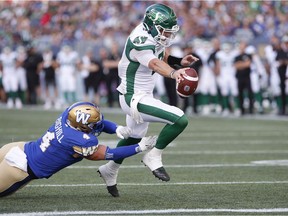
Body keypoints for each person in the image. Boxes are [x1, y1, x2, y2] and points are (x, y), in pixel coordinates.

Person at [98, 3, 198, 197]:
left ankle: (110, 169)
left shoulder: (152, 35)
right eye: (164, 31)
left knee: (133, 137)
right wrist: (174, 73)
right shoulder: (140, 39)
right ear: (152, 25)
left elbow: (160, 53)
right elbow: (153, 62)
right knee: (179, 119)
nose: (168, 36)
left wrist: (178, 61)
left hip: (141, 95)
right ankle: (154, 155)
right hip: (133, 98)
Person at [0, 101, 157, 197]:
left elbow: (97, 122)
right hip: (19, 167)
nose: (98, 126)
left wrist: (116, 128)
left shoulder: (68, 115)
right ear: (81, 126)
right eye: (93, 126)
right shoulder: (79, 140)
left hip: (18, 147)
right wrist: (138, 147)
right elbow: (106, 154)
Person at [234, 42, 254, 115]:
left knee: (249, 93)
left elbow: (248, 64)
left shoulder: (248, 55)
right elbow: (236, 66)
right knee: (240, 94)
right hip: (240, 77)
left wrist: (241, 64)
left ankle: (251, 109)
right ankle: (242, 109)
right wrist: (243, 64)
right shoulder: (237, 57)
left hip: (247, 77)